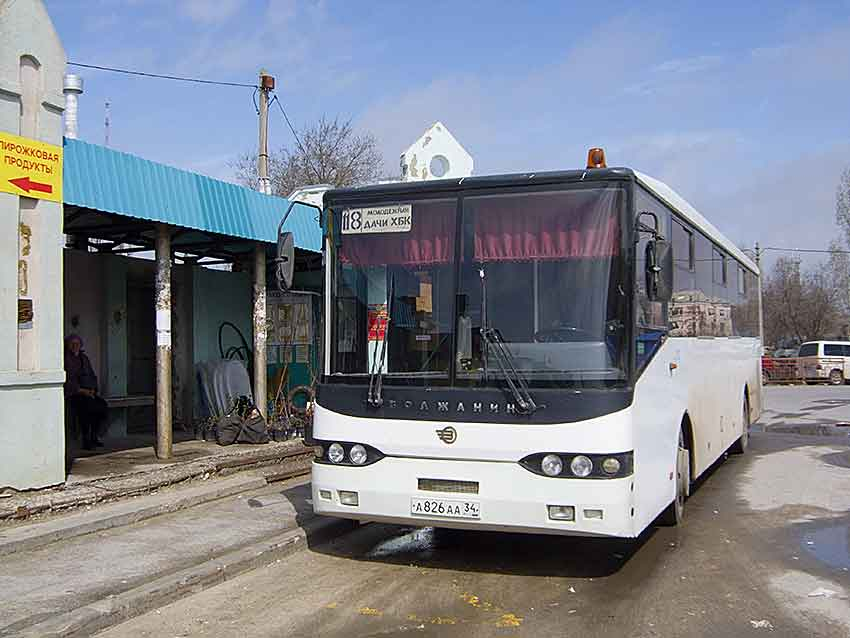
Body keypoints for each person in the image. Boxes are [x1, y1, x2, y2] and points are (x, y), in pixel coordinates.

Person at [64, 334, 108, 450]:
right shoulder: (65, 359)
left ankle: (94, 436)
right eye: (72, 344)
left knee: (101, 406)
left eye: (77, 344)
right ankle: (86, 439)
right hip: (74, 394)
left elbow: (92, 375)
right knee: (85, 409)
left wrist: (93, 390)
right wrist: (81, 391)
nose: (75, 346)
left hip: (88, 392)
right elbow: (68, 380)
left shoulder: (84, 358)